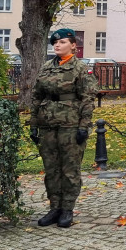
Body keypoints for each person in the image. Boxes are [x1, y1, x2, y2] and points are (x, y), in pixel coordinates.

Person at [30, 28, 97, 229]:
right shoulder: (46, 67)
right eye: (55, 43)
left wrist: (84, 126)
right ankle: (54, 208)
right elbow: (36, 96)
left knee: (70, 168)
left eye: (62, 42)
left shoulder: (80, 69)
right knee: (51, 168)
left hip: (71, 125)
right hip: (47, 124)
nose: (57, 45)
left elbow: (87, 99)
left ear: (73, 45)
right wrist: (33, 124)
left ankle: (67, 208)